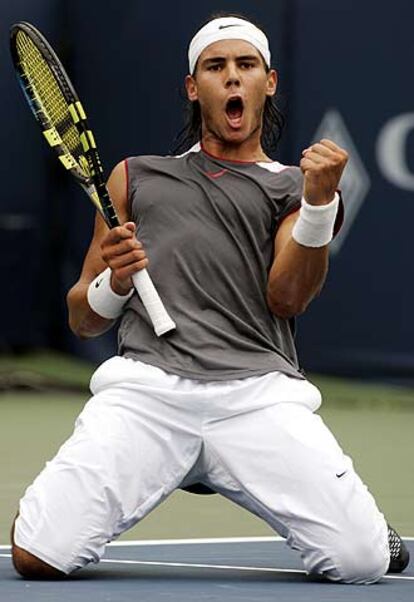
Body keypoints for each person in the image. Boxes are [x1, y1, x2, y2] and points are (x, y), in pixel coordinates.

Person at [11, 13, 409, 583]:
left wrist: (320, 205)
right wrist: (115, 282)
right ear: (193, 87)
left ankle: (372, 532)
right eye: (215, 67)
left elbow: (289, 297)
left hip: (256, 397)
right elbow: (83, 319)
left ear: (267, 82)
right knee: (37, 555)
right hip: (150, 393)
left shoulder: (293, 188)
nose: (231, 78)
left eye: (245, 66)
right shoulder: (134, 178)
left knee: (361, 562)